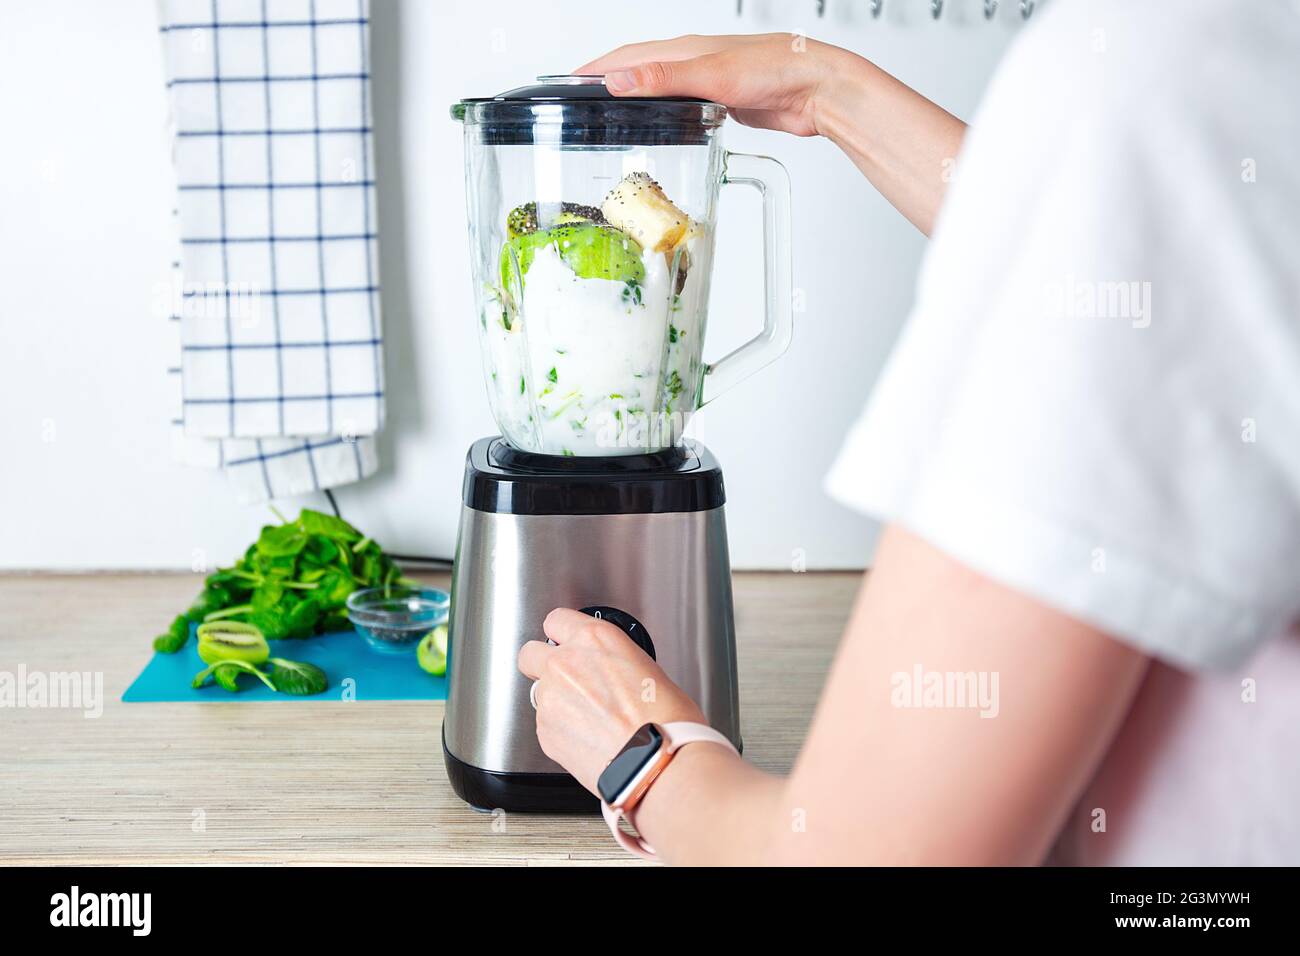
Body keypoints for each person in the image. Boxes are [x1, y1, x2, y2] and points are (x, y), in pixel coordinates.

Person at [517, 0, 1300, 865]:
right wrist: (828, 89)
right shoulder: (1229, 56)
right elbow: (1113, 263)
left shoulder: (1157, 70)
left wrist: (645, 759)